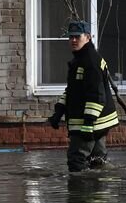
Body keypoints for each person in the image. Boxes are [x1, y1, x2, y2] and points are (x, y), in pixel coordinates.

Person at [48, 20, 119, 172]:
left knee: (76, 160)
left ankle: (78, 187)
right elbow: (72, 91)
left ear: (88, 37)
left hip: (91, 122)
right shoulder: (80, 60)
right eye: (70, 37)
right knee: (97, 162)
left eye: (77, 36)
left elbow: (96, 96)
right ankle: (105, 185)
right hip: (96, 122)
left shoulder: (90, 61)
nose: (73, 40)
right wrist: (59, 111)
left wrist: (88, 124)